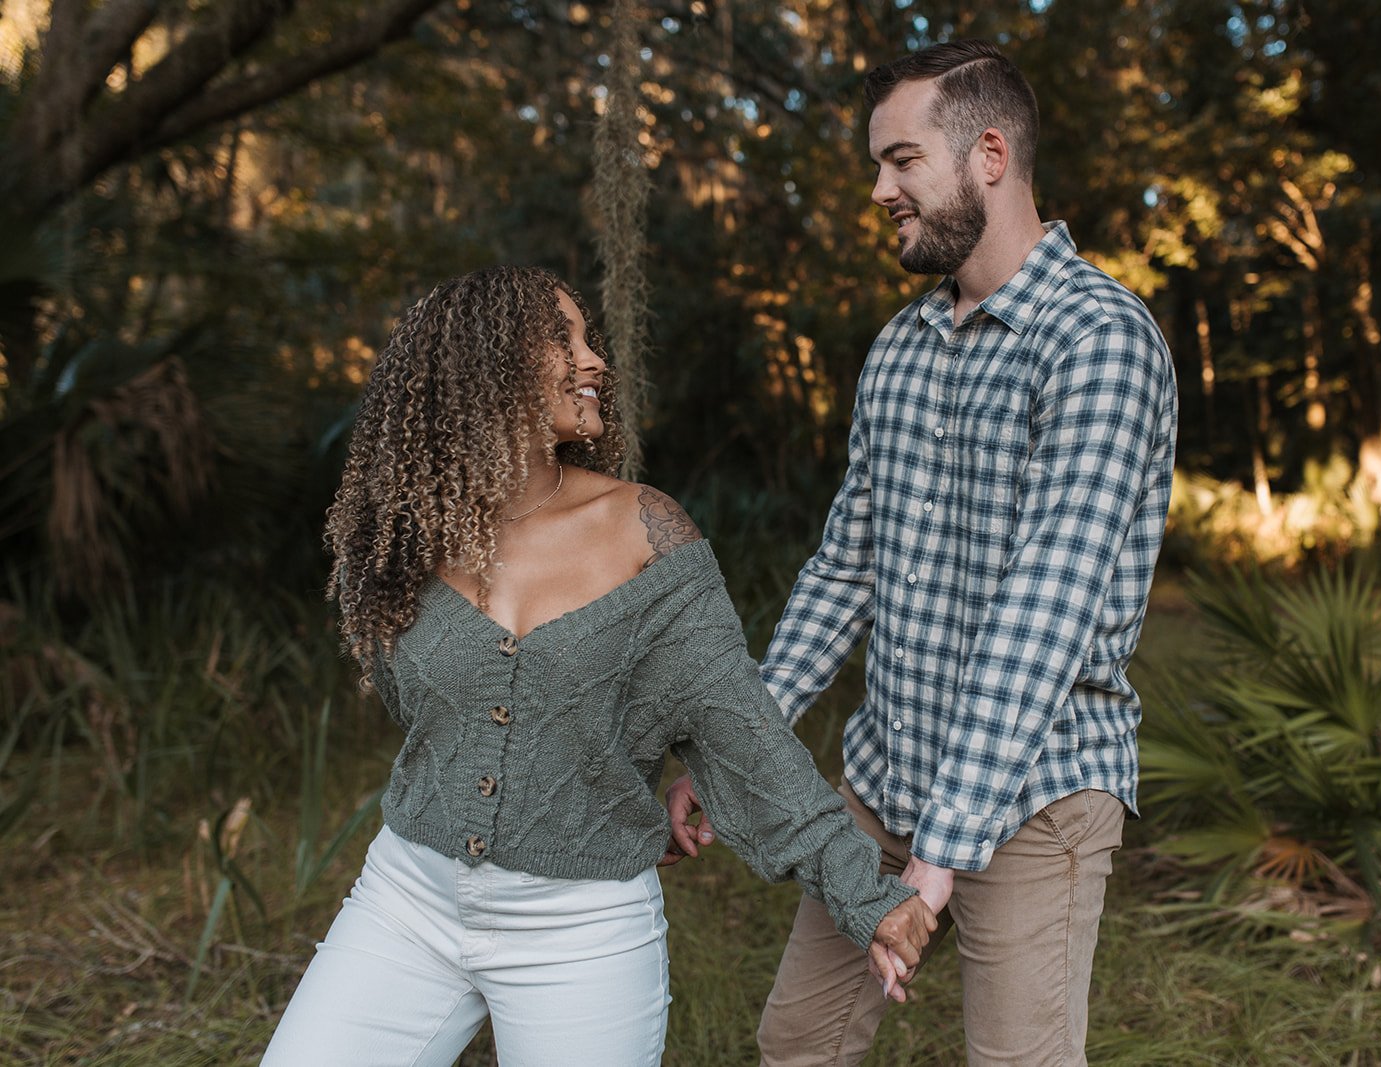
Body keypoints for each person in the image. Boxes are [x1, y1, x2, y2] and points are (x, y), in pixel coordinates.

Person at [261, 266, 936, 1067]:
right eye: (564, 339)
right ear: (484, 364)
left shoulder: (641, 530)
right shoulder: (413, 536)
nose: (596, 362)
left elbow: (743, 735)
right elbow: (434, 717)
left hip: (579, 930)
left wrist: (870, 898)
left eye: (591, 339)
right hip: (407, 900)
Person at [666, 39, 1179, 1066]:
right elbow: (844, 567)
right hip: (886, 777)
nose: (878, 189)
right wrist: (738, 750)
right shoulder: (900, 349)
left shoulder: (1099, 341)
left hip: (1035, 797)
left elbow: (1045, 611)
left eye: (900, 160)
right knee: (797, 1040)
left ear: (988, 155)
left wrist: (939, 859)